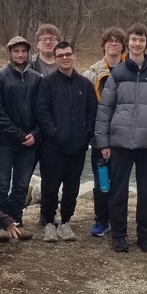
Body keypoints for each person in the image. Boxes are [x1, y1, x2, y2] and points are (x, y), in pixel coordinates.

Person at [95, 24, 147, 253]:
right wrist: (104, 142)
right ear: (127, 43)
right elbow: (105, 109)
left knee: (146, 191)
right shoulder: (118, 73)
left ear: (146, 43)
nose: (137, 44)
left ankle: (144, 236)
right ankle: (119, 235)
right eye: (133, 40)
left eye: (141, 40)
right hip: (120, 143)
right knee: (118, 191)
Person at [35, 41, 97, 242]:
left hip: (78, 147)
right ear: (55, 58)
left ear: (74, 56)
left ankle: (66, 221)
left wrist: (86, 135)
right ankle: (49, 222)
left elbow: (92, 111)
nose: (64, 58)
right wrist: (54, 133)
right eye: (60, 55)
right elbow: (42, 112)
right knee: (50, 187)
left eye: (68, 54)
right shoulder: (47, 83)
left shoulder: (85, 84)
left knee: (72, 187)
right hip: (53, 147)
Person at [0, 36, 42, 237]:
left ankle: (17, 221)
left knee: (21, 185)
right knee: (1, 184)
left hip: (29, 142)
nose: (20, 55)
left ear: (28, 53)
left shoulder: (37, 79)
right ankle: (2, 224)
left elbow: (42, 110)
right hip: (4, 142)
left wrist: (36, 134)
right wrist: (19, 134)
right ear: (9, 53)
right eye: (16, 51)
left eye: (23, 51)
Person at [83, 27, 125, 237]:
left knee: (120, 181)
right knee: (101, 182)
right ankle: (101, 221)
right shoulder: (91, 74)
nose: (114, 44)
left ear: (123, 46)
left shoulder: (131, 71)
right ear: (103, 45)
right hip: (100, 137)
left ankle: (119, 220)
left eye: (118, 41)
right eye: (109, 41)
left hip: (124, 138)